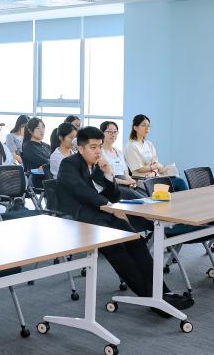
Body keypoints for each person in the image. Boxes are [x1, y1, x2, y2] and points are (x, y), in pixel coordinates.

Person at [57, 126, 194, 314]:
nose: (98, 151)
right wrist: (109, 207)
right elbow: (81, 191)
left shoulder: (96, 165)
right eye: (93, 147)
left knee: (136, 241)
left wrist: (108, 174)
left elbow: (113, 196)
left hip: (100, 214)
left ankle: (162, 292)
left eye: (99, 146)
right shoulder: (68, 165)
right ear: (80, 149)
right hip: (79, 219)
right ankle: (151, 298)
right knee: (117, 250)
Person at [124, 114, 187, 191]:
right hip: (143, 180)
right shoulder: (131, 146)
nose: (147, 128)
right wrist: (155, 166)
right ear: (135, 128)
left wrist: (153, 173)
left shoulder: (149, 144)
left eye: (148, 126)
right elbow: (139, 168)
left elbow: (155, 163)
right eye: (143, 125)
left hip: (155, 176)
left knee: (179, 181)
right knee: (179, 183)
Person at [99, 121, 139, 191]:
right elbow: (105, 177)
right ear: (102, 133)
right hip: (111, 185)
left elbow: (125, 172)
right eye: (110, 132)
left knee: (143, 193)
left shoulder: (119, 152)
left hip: (124, 183)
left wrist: (131, 181)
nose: (113, 134)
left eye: (115, 132)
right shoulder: (99, 152)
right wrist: (125, 182)